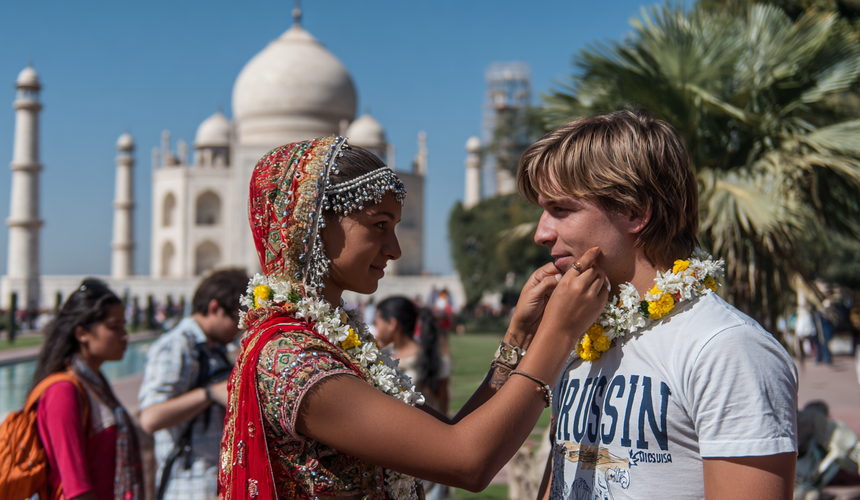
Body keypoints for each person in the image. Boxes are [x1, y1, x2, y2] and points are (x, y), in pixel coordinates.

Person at [219, 136, 610, 499]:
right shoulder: (293, 360)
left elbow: (450, 436)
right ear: (313, 227)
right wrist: (559, 331)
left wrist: (520, 336)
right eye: (378, 225)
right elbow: (468, 462)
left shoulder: (332, 338)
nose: (394, 249)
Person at [516, 109, 798, 500]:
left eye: (560, 210)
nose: (541, 234)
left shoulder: (725, 347)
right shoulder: (582, 337)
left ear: (635, 211)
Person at [138, 269, 248, 500]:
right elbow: (150, 418)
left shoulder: (213, 347)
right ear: (215, 308)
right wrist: (208, 394)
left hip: (213, 481)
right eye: (237, 319)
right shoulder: (176, 346)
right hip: (187, 486)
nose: (239, 329)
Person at [32, 278, 143, 500]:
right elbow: (76, 489)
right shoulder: (63, 391)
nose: (124, 335)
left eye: (123, 325)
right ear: (82, 333)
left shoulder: (96, 385)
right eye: (113, 327)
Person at [375, 296, 451, 416]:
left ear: (391, 324)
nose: (376, 330)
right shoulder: (381, 357)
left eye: (377, 323)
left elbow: (442, 406)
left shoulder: (431, 357)